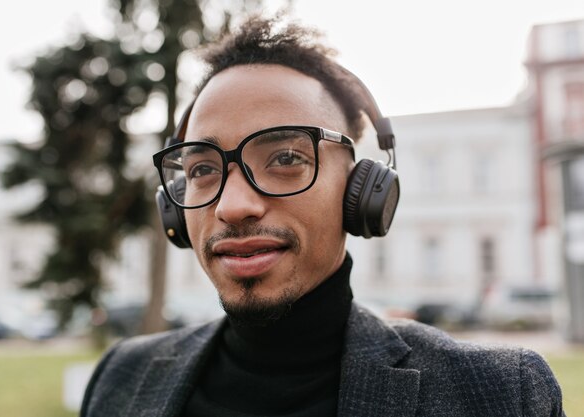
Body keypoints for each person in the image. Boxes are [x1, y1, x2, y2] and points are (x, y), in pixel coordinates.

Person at [80, 16, 565, 417]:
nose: (233, 206)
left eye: (286, 158)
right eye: (203, 168)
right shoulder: (123, 375)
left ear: (362, 192)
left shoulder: (499, 394)